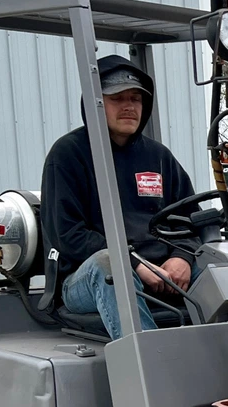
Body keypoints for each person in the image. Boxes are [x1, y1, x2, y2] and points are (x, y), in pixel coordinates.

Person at [39, 55, 197, 340]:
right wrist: (133, 263)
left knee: (221, 264)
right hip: (86, 279)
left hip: (162, 270)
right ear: (95, 103)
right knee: (111, 268)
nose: (129, 106)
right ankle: (150, 372)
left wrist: (183, 257)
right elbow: (68, 235)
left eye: (135, 98)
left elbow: (190, 217)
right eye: (117, 98)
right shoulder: (68, 155)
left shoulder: (158, 156)